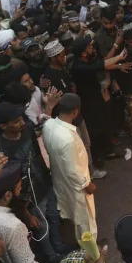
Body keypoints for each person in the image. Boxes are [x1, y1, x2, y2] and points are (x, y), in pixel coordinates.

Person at [41, 93, 97, 237]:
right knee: (86, 221)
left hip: (61, 181)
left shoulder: (48, 125)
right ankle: (92, 252)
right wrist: (87, 184)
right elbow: (72, 170)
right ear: (75, 112)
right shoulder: (68, 138)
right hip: (77, 186)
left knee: (77, 217)